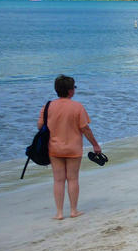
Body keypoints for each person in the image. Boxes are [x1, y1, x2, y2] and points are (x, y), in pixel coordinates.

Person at [40, 75, 101, 220]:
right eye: (74, 87)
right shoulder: (77, 107)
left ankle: (59, 213)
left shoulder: (48, 106)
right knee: (73, 179)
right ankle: (73, 210)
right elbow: (85, 128)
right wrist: (95, 144)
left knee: (58, 180)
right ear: (70, 91)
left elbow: (40, 126)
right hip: (73, 148)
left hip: (54, 148)